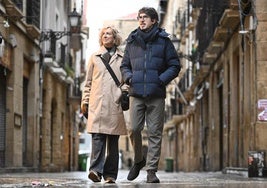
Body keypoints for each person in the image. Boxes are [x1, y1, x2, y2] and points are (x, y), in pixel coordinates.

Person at [120, 7, 181, 183]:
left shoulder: (164, 41)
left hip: (156, 94)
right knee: (134, 129)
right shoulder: (131, 41)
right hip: (136, 92)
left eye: (145, 17)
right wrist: (129, 78)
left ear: (154, 20)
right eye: (139, 17)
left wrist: (160, 80)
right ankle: (139, 160)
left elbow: (175, 65)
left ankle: (151, 171)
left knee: (155, 133)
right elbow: (125, 65)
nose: (141, 20)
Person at [81, 26, 127, 183]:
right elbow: (87, 82)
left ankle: (110, 175)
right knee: (97, 138)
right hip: (97, 103)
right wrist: (85, 101)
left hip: (114, 103)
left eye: (109, 34)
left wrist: (122, 92)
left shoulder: (123, 58)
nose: (105, 36)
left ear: (115, 38)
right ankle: (95, 171)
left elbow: (127, 80)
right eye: (103, 34)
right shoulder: (95, 57)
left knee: (113, 141)